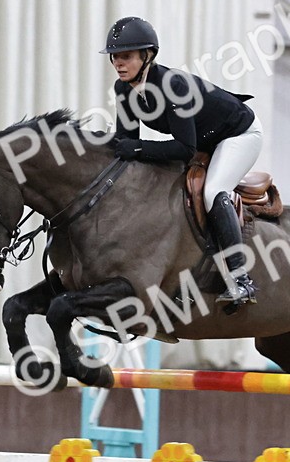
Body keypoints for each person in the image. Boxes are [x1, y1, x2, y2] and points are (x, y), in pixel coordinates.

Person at [101, 16, 262, 311]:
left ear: (147, 56)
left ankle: (241, 279)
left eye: (126, 56)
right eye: (114, 57)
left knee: (214, 191)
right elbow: (126, 144)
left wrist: (135, 147)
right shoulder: (123, 90)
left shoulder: (173, 84)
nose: (118, 63)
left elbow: (184, 149)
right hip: (204, 141)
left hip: (239, 134)